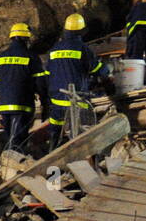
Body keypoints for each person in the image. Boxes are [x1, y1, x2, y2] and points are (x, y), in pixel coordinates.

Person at [45, 13, 104, 147]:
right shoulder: (82, 49)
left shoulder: (53, 50)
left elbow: (47, 74)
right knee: (80, 135)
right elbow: (98, 69)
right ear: (81, 31)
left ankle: (52, 153)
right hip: (77, 100)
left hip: (57, 100)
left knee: (55, 132)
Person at [0, 23, 48, 155]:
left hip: (5, 104)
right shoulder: (31, 57)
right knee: (19, 139)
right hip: (23, 104)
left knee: (9, 136)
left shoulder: (1, 57)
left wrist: (5, 91)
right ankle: (16, 164)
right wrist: (44, 98)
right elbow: (40, 82)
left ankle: (8, 161)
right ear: (26, 39)